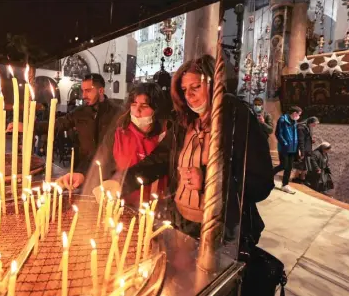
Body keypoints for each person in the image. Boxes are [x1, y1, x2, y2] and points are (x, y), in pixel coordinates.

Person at [115, 55, 274, 246]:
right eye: (184, 90)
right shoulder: (185, 123)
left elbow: (261, 183)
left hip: (222, 229)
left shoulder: (236, 121)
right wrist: (119, 183)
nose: (188, 95)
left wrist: (209, 181)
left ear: (213, 84)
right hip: (182, 222)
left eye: (196, 87)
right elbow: (157, 161)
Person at [58, 83, 169, 207]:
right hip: (121, 204)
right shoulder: (120, 133)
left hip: (155, 208)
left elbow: (157, 165)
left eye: (144, 106)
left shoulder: (168, 136)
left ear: (157, 109)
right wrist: (81, 173)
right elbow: (100, 158)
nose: (137, 111)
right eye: (133, 104)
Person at [7, 73, 123, 179]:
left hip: (109, 172)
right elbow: (56, 125)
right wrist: (28, 127)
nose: (83, 96)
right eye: (82, 91)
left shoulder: (118, 113)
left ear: (101, 91)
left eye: (88, 91)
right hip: (83, 170)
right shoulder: (80, 112)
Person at [273, 106, 302, 194]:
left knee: (289, 167)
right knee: (283, 165)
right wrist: (285, 143)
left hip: (293, 148)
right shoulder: (282, 120)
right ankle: (268, 174)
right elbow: (278, 133)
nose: (299, 116)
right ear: (294, 113)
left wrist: (297, 147)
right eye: (299, 114)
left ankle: (285, 185)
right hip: (284, 147)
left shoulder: (295, 121)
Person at [294, 116, 319, 184]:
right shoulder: (301, 127)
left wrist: (311, 140)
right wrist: (301, 152)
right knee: (300, 165)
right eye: (315, 124)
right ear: (311, 122)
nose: (315, 125)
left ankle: (302, 178)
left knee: (305, 165)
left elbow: (306, 138)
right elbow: (301, 140)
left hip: (307, 149)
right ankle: (296, 178)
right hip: (303, 149)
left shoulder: (308, 127)